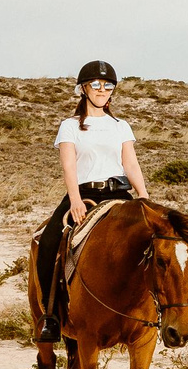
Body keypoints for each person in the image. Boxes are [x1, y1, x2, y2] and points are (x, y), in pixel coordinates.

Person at [35, 60, 152, 344]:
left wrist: (145, 197)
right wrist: (74, 200)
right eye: (96, 85)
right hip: (83, 194)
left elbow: (130, 163)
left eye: (108, 85)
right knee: (49, 242)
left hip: (118, 193)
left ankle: (150, 311)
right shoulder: (70, 126)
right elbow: (69, 166)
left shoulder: (120, 126)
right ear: (84, 89)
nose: (102, 90)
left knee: (153, 241)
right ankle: (50, 316)